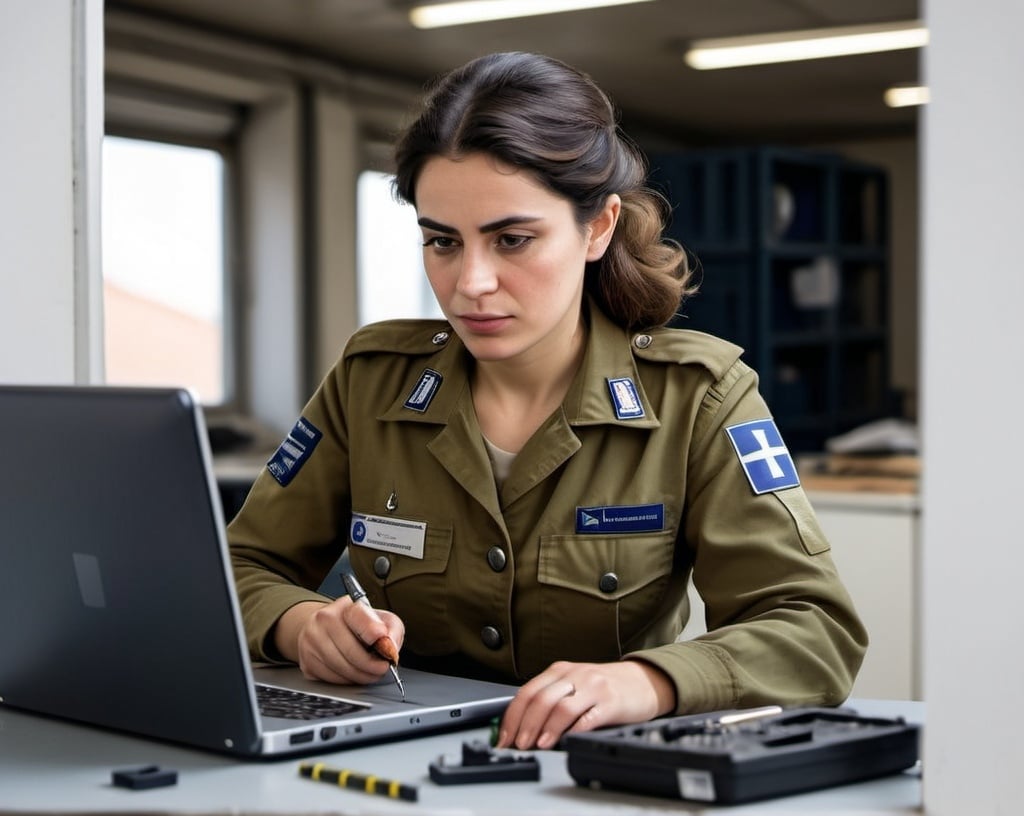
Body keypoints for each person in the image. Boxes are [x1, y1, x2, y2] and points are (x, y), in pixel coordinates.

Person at [228, 51, 867, 751]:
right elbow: (238, 566)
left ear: (598, 228)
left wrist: (649, 681)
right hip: (394, 767)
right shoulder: (369, 381)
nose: (471, 281)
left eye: (513, 240)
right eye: (442, 241)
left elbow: (813, 628)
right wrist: (300, 624)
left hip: (599, 780)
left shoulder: (699, 398)